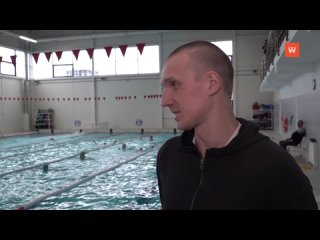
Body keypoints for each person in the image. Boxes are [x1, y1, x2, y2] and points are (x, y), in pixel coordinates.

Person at [156, 41, 317, 210]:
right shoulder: (168, 156)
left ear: (211, 83)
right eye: (164, 88)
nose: (164, 101)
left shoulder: (277, 168)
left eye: (174, 84)